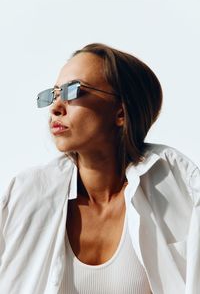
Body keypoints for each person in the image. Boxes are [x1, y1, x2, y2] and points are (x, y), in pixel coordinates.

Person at [0, 43, 199, 294]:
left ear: (121, 112)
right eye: (54, 94)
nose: (55, 108)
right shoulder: (26, 195)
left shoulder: (178, 188)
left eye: (73, 91)